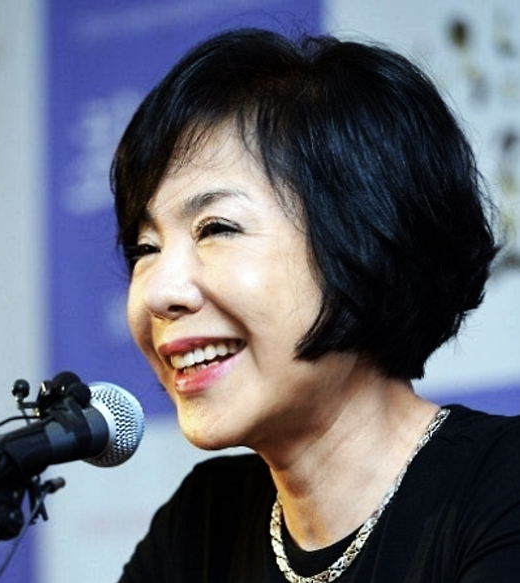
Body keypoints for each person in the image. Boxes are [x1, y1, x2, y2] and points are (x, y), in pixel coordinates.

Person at [110, 27, 519, 582]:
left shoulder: (502, 490)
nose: (160, 293)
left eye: (216, 228)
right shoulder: (200, 526)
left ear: (366, 238)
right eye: (146, 248)